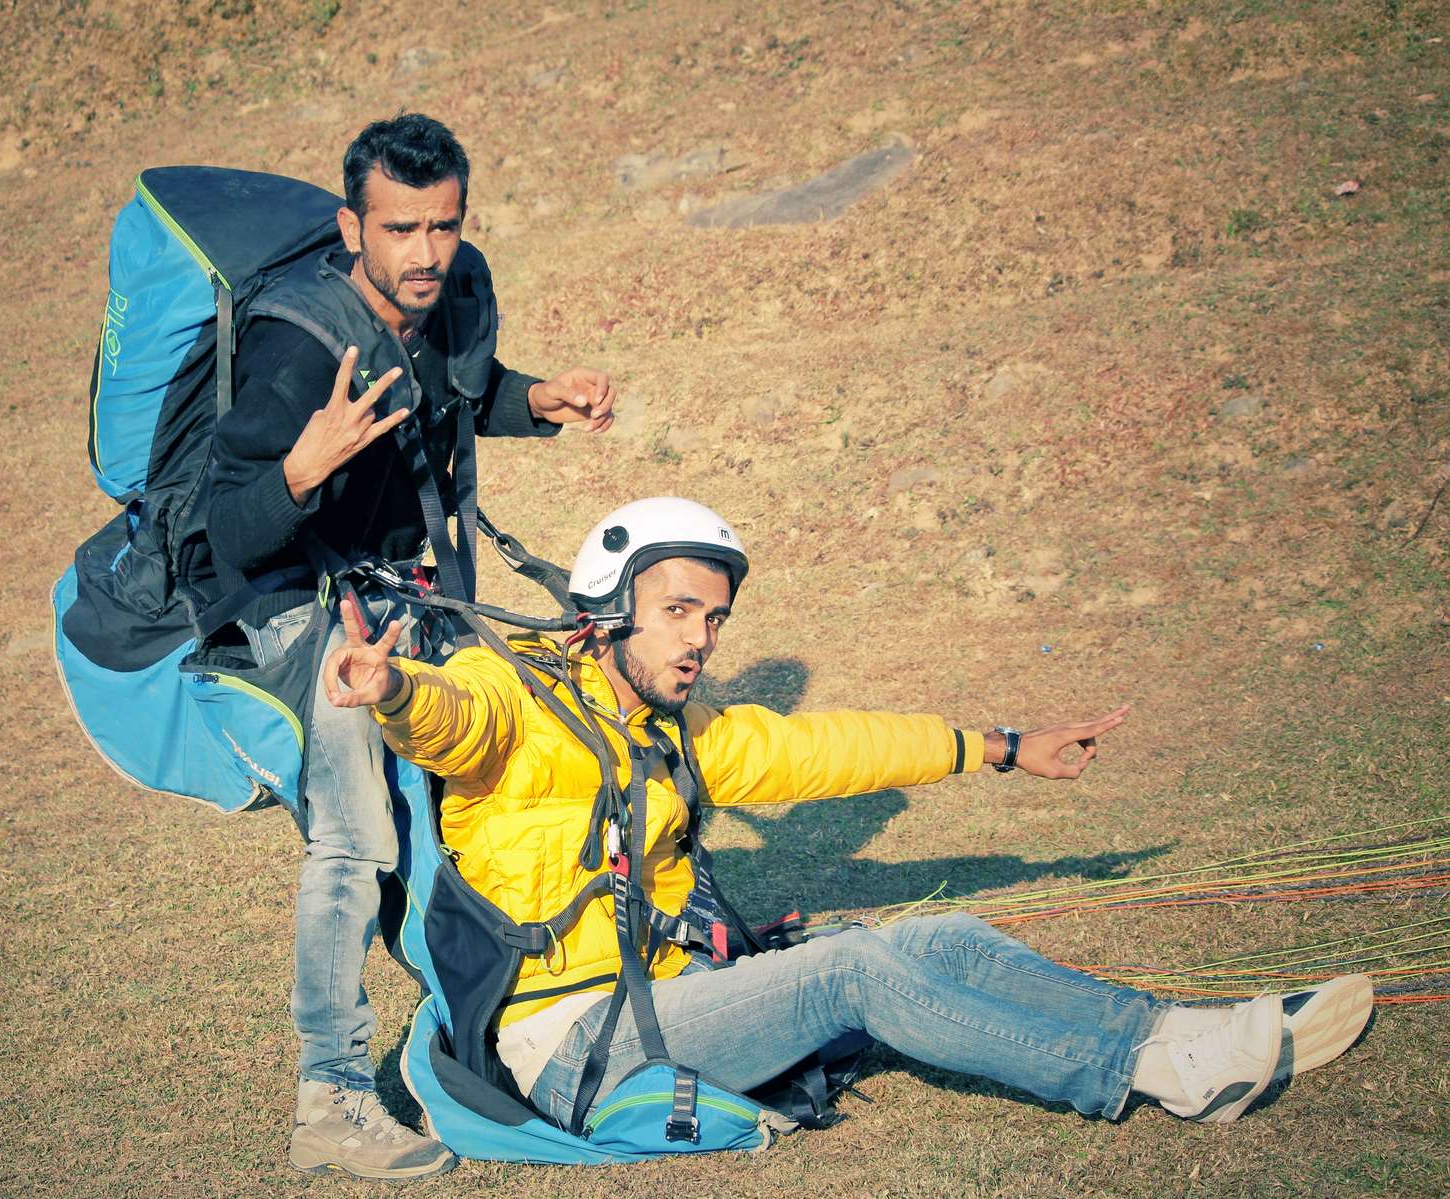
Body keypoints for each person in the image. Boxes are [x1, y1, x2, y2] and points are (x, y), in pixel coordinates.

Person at [321, 496, 1375, 1143]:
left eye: (715, 617)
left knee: (937, 937)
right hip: (574, 1043)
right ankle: (1152, 1074)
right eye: (679, 610)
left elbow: (831, 749)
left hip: (673, 1003)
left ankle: (1175, 1029)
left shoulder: (681, 730)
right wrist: (393, 690)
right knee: (854, 971)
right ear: (610, 602)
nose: (701, 638)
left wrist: (1003, 745)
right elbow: (451, 721)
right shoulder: (511, 696)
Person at [202, 114, 616, 1180]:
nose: (426, 251)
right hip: (304, 602)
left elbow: (456, 392)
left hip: (410, 596)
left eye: (442, 224)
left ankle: (502, 1024)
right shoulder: (299, 347)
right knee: (355, 837)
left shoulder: (448, 293)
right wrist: (301, 468)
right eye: (399, 228)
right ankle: (329, 1096)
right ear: (354, 226)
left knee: (466, 799)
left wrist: (538, 400)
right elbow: (225, 532)